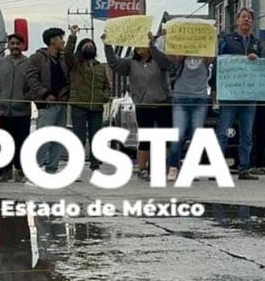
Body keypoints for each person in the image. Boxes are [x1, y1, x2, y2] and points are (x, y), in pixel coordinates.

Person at [104, 31, 172, 180]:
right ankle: (143, 169)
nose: (138, 47)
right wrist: (107, 45)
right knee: (145, 139)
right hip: (143, 105)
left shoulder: (159, 60)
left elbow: (167, 63)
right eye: (136, 44)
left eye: (142, 43)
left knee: (164, 139)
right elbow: (114, 64)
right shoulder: (130, 63)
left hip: (163, 103)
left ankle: (161, 168)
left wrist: (152, 46)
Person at [215, 8, 264, 180]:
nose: (246, 20)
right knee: (223, 131)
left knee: (247, 133)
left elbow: (263, 68)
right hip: (229, 93)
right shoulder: (227, 40)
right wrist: (214, 88)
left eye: (249, 18)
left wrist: (256, 60)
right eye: (243, 17)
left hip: (249, 94)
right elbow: (219, 64)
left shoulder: (256, 42)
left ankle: (244, 168)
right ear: (237, 21)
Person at [24, 27, 72, 176]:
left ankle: (52, 168)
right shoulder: (37, 58)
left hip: (62, 103)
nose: (63, 41)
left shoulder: (64, 58)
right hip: (46, 103)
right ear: (52, 41)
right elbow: (31, 78)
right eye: (60, 38)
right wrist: (45, 94)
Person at [65, 26, 111, 172]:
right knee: (78, 136)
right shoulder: (75, 64)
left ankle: (95, 163)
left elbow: (107, 87)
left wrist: (104, 97)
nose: (89, 47)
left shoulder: (100, 67)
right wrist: (72, 36)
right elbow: (67, 54)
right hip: (79, 106)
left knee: (96, 136)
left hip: (96, 107)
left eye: (91, 45)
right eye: (86, 45)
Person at [167, 49, 214, 182]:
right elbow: (171, 63)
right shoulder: (181, 54)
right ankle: (173, 166)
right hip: (181, 97)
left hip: (199, 98)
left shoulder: (205, 54)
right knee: (178, 134)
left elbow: (211, 57)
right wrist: (180, 55)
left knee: (197, 135)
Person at [0, 33, 31, 182]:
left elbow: (34, 84)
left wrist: (26, 98)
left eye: (18, 44)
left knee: (21, 142)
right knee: (5, 142)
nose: (15, 46)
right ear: (8, 45)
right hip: (4, 111)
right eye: (12, 43)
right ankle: (5, 172)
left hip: (22, 112)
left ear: (22, 46)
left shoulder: (29, 63)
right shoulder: (0, 63)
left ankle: (20, 171)